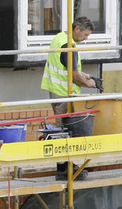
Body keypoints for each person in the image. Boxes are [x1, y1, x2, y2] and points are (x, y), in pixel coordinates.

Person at [41, 16, 97, 181]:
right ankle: (64, 168)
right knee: (65, 131)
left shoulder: (59, 38)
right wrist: (91, 83)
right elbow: (73, 76)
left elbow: (69, 68)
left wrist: (87, 76)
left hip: (57, 90)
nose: (86, 39)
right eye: (85, 35)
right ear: (77, 29)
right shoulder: (68, 45)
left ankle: (66, 166)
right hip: (63, 92)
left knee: (62, 130)